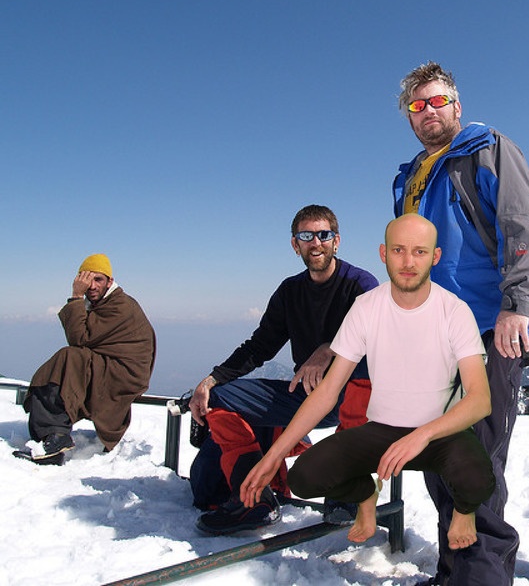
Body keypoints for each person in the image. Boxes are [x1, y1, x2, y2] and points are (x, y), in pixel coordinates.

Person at [241, 214, 495, 551]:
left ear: (435, 257)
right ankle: (365, 496)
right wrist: (274, 455)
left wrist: (421, 436)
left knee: (478, 479)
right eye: (399, 250)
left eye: (419, 252)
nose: (407, 262)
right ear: (383, 254)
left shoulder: (454, 311)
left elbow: (480, 400)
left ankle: (464, 512)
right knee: (305, 476)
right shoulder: (366, 308)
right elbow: (328, 391)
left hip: (439, 434)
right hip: (381, 432)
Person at [393, 62, 529, 585]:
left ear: (456, 106)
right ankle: (455, 573)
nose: (429, 112)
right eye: (417, 106)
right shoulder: (411, 178)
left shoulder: (486, 151)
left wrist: (517, 303)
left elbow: (527, 226)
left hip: (487, 329)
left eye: (438, 101)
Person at [187, 204, 378, 535]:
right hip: (305, 397)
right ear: (295, 244)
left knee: (366, 373)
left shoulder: (360, 283)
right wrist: (210, 380)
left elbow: (381, 335)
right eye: (306, 236)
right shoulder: (290, 291)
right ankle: (254, 498)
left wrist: (328, 350)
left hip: (353, 398)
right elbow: (259, 346)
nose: (315, 242)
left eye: (323, 234)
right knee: (218, 398)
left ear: (337, 241)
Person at [15, 253, 156, 466]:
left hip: (123, 373)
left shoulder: (119, 305)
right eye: (86, 279)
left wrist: (75, 296)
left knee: (69, 358)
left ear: (110, 281)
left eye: (98, 279)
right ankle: (52, 436)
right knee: (68, 363)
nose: (91, 286)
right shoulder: (105, 303)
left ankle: (55, 435)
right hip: (109, 364)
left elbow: (78, 339)